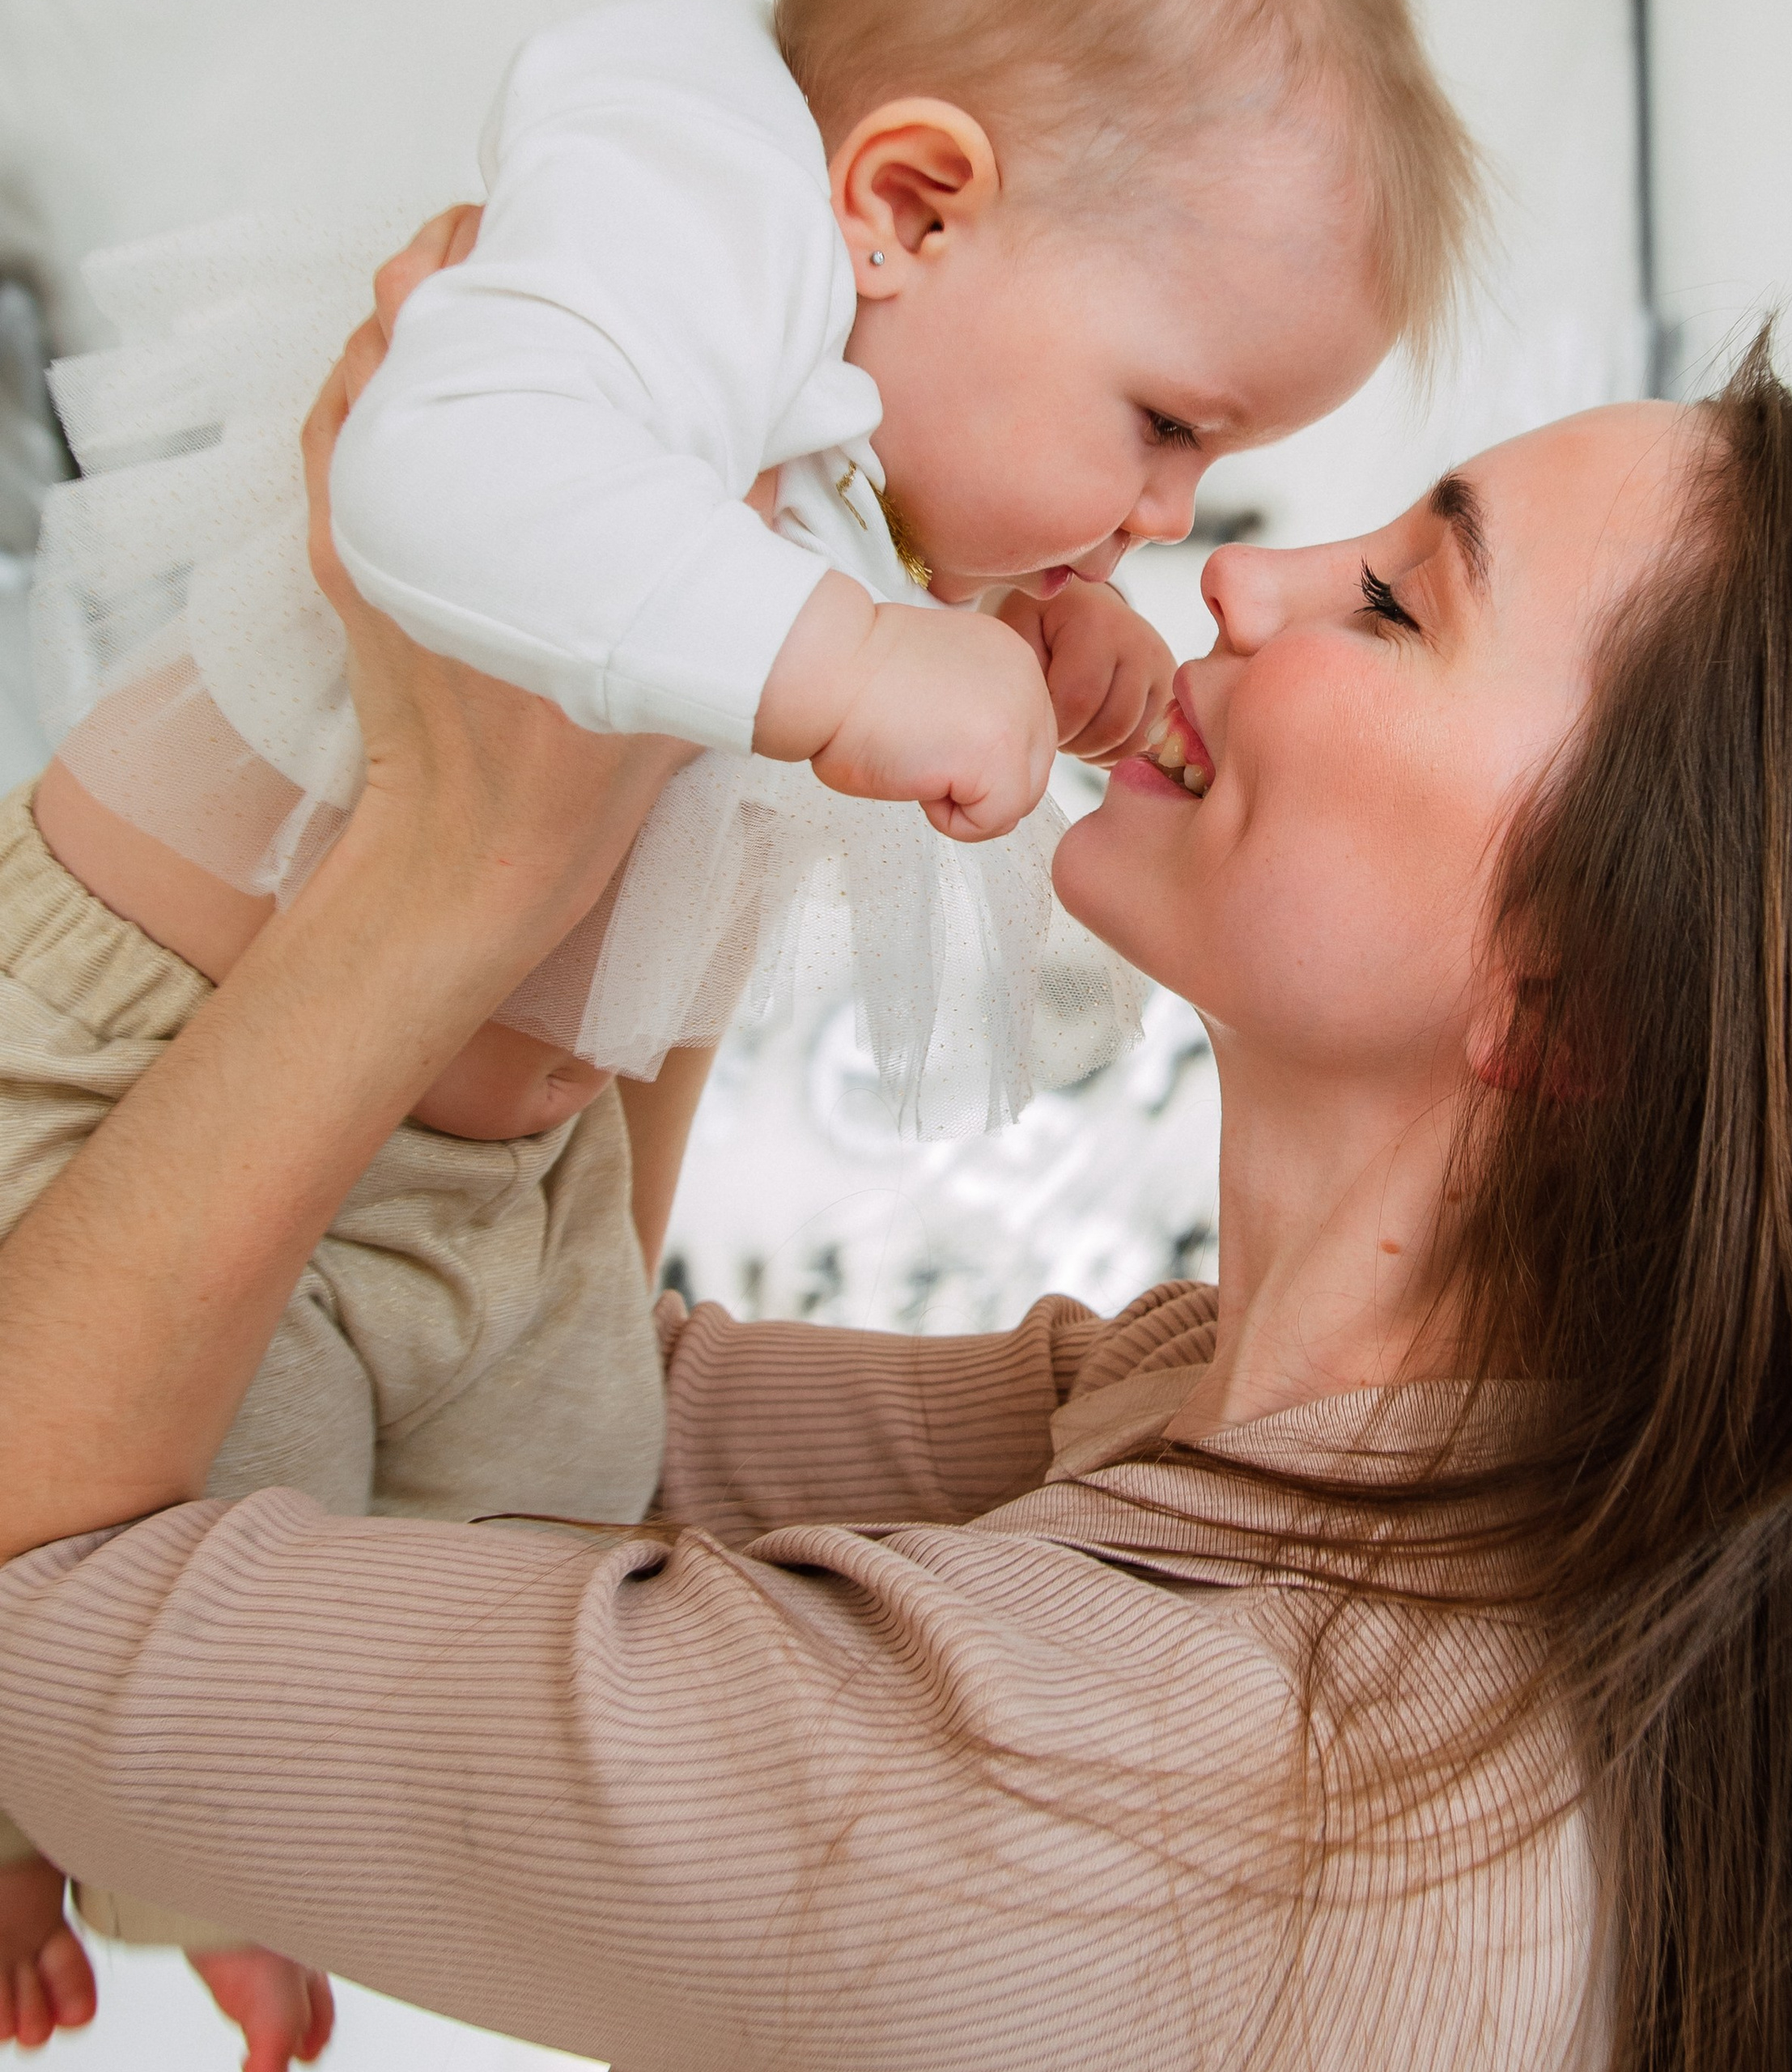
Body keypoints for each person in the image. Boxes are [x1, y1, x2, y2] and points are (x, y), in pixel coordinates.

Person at [3, 299, 1792, 2070]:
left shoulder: (1155, 1806)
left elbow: (32, 1596)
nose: (1243, 582)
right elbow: (523, 1404)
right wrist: (717, 718)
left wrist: (459, 855)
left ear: (1572, 1002)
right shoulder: (1295, 1455)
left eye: (1391, 600)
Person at [0, 0, 1479, 2049]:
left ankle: (214, 1844)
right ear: (911, 206)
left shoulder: (883, 372)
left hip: (500, 1176)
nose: (1177, 521)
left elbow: (801, 592)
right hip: (170, 1049)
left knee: (554, 1498)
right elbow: (450, 479)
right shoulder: (679, 214)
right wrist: (856, 659)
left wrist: (1016, 628)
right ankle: (71, 1825)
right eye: (1165, 425)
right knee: (133, 1586)